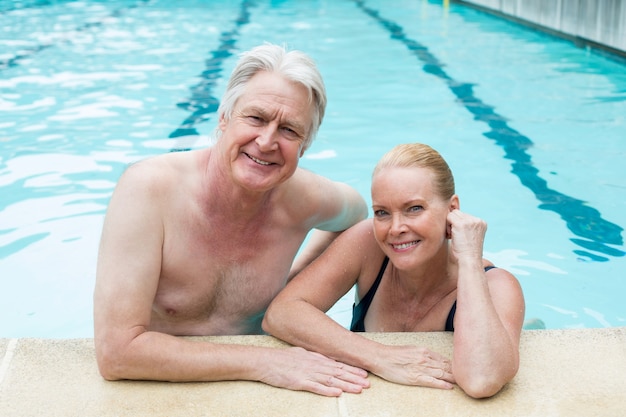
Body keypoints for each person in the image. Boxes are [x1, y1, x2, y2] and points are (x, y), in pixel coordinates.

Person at [93, 43, 370, 397]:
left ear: (305, 145)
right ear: (224, 118)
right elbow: (116, 353)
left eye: (289, 130)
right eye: (255, 118)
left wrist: (295, 289)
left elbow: (358, 218)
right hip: (159, 392)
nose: (267, 141)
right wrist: (266, 363)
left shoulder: (305, 199)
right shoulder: (150, 190)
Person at [263, 143, 525, 399]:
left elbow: (482, 379)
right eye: (382, 212)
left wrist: (469, 257)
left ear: (452, 210)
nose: (396, 228)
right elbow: (280, 313)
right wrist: (380, 357)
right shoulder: (367, 244)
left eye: (414, 208)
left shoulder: (497, 284)